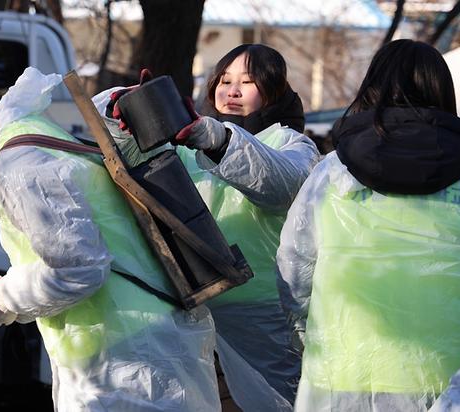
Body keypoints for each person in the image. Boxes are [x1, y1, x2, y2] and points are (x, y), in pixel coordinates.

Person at [0, 60, 221, 411]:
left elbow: (80, 270)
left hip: (126, 360)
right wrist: (12, 283)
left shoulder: (18, 165)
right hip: (133, 346)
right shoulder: (29, 133)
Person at [276, 39, 460, 411]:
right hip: (450, 373)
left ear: (372, 87)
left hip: (342, 367)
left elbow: (295, 266)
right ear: (443, 93)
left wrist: (305, 331)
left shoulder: (333, 173)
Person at [101, 43, 320, 410]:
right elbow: (122, 160)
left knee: (283, 403)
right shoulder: (186, 141)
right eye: (224, 80)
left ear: (274, 91)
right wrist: (121, 109)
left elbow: (279, 184)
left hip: (260, 310)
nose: (231, 91)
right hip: (191, 305)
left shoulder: (291, 144)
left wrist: (214, 138)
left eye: (247, 82)